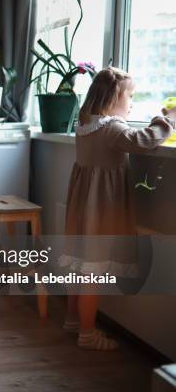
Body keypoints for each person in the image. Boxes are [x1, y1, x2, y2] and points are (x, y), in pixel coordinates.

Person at [61, 67, 175, 350]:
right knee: (92, 274)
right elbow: (142, 141)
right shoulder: (111, 129)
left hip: (83, 208)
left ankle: (73, 320)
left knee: (80, 266)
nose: (132, 102)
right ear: (113, 98)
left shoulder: (85, 124)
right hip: (101, 210)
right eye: (130, 96)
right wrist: (167, 120)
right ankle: (87, 333)